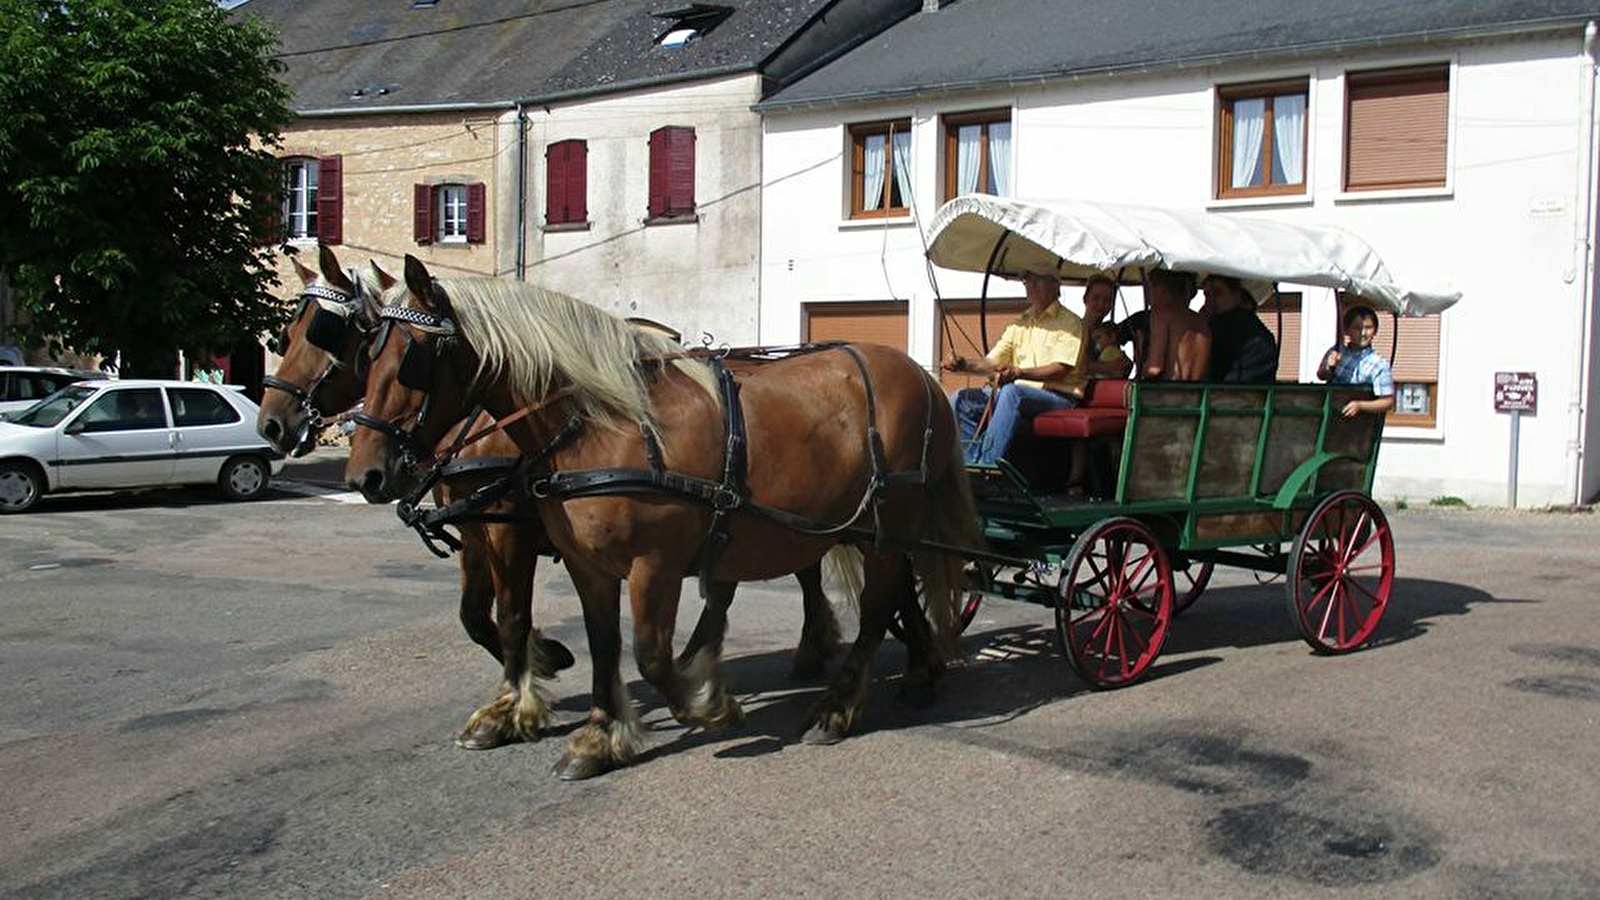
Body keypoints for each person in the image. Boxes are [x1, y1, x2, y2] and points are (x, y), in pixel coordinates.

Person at [942, 270, 1085, 465]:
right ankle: (969, 464)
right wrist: (963, 364)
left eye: (1036, 280)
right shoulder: (1021, 323)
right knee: (961, 398)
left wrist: (1019, 372)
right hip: (1020, 394)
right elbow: (992, 362)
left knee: (1011, 393)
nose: (1029, 285)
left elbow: (1061, 369)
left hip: (1060, 396)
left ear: (1054, 285)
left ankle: (988, 465)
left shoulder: (1070, 322)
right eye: (1026, 281)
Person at [1318, 303, 1396, 418]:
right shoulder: (1337, 351)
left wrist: (1360, 405)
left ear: (1375, 331)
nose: (1363, 333)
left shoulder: (1379, 365)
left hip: (1357, 424)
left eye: (1368, 328)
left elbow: (1388, 401)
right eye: (1357, 328)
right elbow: (1321, 375)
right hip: (1329, 413)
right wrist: (1329, 366)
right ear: (1347, 330)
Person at [1200, 275, 1278, 383]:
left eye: (1218, 293)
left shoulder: (1224, 327)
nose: (1209, 301)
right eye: (1206, 295)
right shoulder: (1262, 332)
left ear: (1239, 296)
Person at [1141, 269, 1211, 381]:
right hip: (1199, 394)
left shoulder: (1161, 314)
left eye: (1150, 288)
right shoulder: (1201, 319)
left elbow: (1155, 368)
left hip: (1169, 392)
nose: (1148, 295)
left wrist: (1138, 368)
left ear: (1161, 289)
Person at [1078, 275, 1133, 380]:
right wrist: (1107, 367)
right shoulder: (1073, 329)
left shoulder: (1110, 331)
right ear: (1085, 299)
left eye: (1107, 300)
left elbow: (1122, 363)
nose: (1101, 304)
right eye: (1096, 298)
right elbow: (1076, 366)